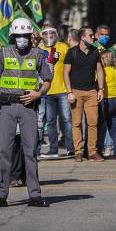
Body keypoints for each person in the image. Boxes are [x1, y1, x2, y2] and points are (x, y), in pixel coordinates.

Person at [0, 18, 52, 208]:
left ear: (30, 36)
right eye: (18, 35)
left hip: (28, 108)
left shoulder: (38, 54)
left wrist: (38, 93)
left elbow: (48, 80)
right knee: (4, 152)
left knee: (30, 152)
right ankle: (0, 195)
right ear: (12, 36)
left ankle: (35, 195)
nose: (21, 38)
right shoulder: (3, 53)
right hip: (6, 108)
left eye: (25, 35)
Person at [63, 26, 106, 162]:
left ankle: (92, 152)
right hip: (76, 92)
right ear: (82, 38)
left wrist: (101, 89)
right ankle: (78, 152)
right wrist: (69, 92)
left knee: (93, 123)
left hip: (92, 92)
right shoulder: (72, 52)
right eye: (91, 35)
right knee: (76, 123)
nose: (94, 37)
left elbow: (99, 70)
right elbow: (65, 73)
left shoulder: (95, 51)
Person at [38, 25, 73, 159]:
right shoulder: (40, 49)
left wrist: (71, 89)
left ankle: (71, 148)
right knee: (51, 122)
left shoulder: (63, 47)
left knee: (67, 120)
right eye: (45, 33)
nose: (49, 36)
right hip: (47, 92)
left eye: (51, 32)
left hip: (63, 90)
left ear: (56, 33)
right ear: (42, 35)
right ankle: (53, 149)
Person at [100, 50, 116, 160]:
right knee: (114, 128)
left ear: (105, 59)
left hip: (106, 101)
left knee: (101, 127)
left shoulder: (103, 71)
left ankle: (99, 150)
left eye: (102, 58)